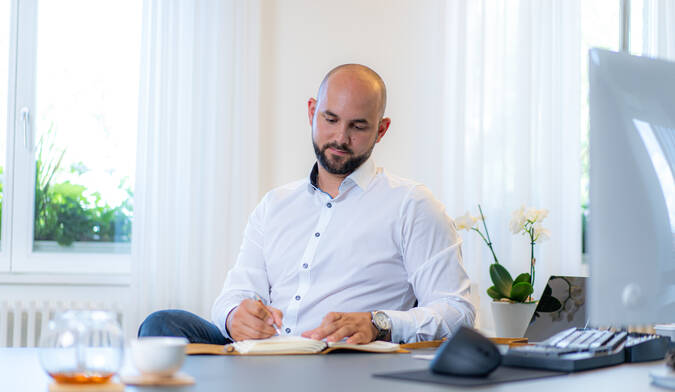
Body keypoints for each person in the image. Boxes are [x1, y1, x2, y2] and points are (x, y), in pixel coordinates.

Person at [139, 64, 475, 345]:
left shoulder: (411, 204)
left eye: (358, 126)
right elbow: (236, 293)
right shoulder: (275, 204)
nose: (341, 138)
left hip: (340, 366)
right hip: (263, 361)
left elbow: (458, 311)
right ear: (312, 112)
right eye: (330, 119)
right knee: (163, 325)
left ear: (381, 130)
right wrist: (233, 317)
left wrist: (380, 323)